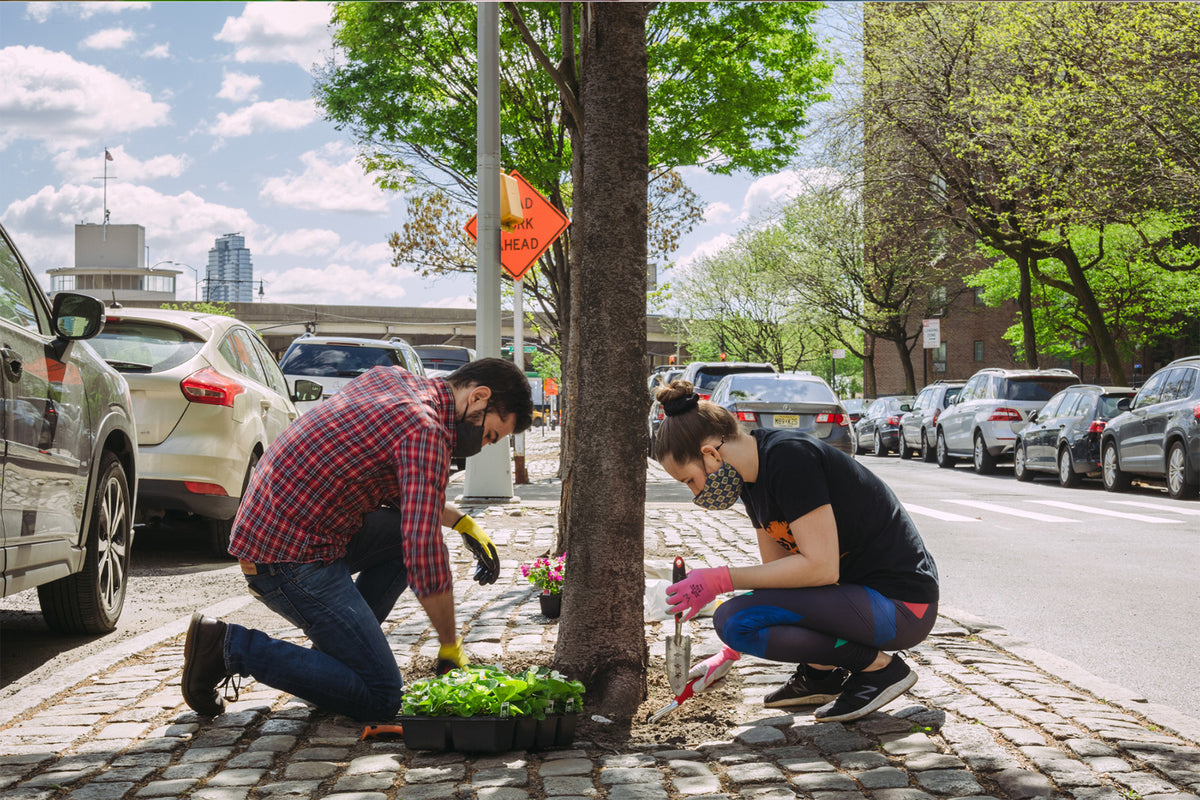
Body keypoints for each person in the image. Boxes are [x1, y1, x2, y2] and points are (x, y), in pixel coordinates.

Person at [181, 357, 534, 722]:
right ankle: (228, 647)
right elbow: (423, 548)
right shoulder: (426, 430)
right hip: (286, 559)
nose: (483, 443)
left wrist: (462, 523)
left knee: (399, 535)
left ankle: (330, 666)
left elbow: (409, 494)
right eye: (490, 434)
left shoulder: (392, 380)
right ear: (478, 397)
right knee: (381, 697)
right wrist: (449, 644)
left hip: (281, 529)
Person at [653, 380, 939, 723]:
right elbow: (780, 581)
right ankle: (822, 675)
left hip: (902, 608)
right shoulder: (751, 483)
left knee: (731, 619)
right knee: (737, 623)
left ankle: (880, 670)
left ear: (711, 454)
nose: (695, 493)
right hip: (856, 601)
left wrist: (719, 580)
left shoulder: (790, 459)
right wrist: (729, 653)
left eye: (689, 480)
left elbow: (821, 568)